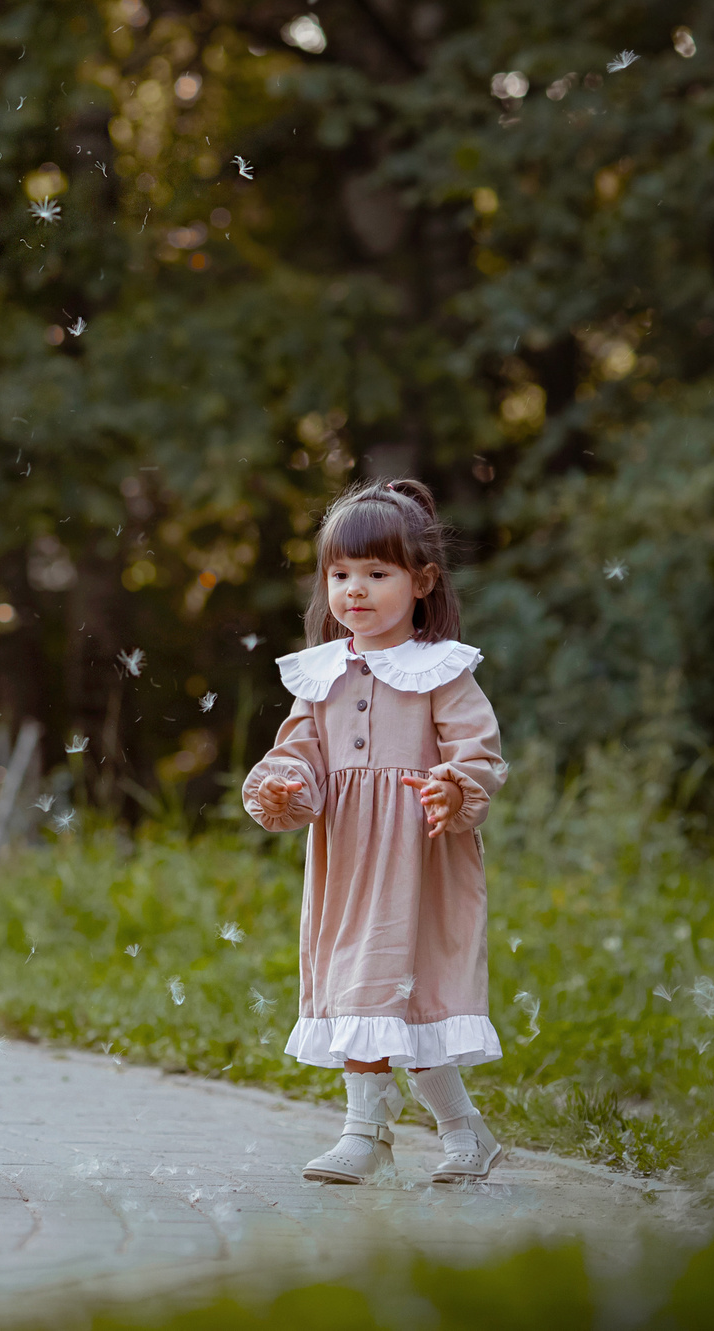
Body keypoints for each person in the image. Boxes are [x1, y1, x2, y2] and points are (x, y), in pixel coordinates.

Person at [242, 478, 508, 1186]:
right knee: (362, 992)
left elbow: (479, 754)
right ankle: (368, 1133)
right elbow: (300, 753)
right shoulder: (320, 676)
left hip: (420, 861)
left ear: (421, 581)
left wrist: (454, 786)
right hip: (349, 862)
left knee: (416, 1004)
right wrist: (285, 786)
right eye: (340, 574)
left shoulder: (441, 672)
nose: (354, 590)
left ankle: (462, 1133)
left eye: (376, 573)